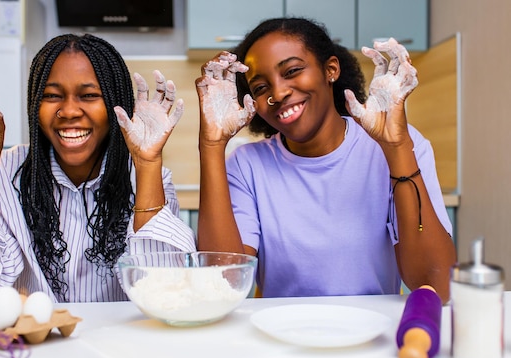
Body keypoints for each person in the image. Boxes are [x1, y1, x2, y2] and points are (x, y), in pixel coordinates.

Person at [195, 17, 456, 303]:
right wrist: (211, 145)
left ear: (330, 70)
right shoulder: (246, 166)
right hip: (281, 334)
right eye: (260, 88)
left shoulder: (399, 145)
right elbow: (222, 286)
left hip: (372, 334)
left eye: (292, 71)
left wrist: (396, 147)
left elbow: (436, 284)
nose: (278, 93)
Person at [0, 33, 196, 307]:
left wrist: (149, 164)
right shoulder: (3, 177)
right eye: (52, 96)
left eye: (89, 95)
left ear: (116, 104)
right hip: (36, 347)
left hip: (119, 346)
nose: (68, 111)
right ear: (34, 105)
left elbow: (164, 296)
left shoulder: (146, 178)